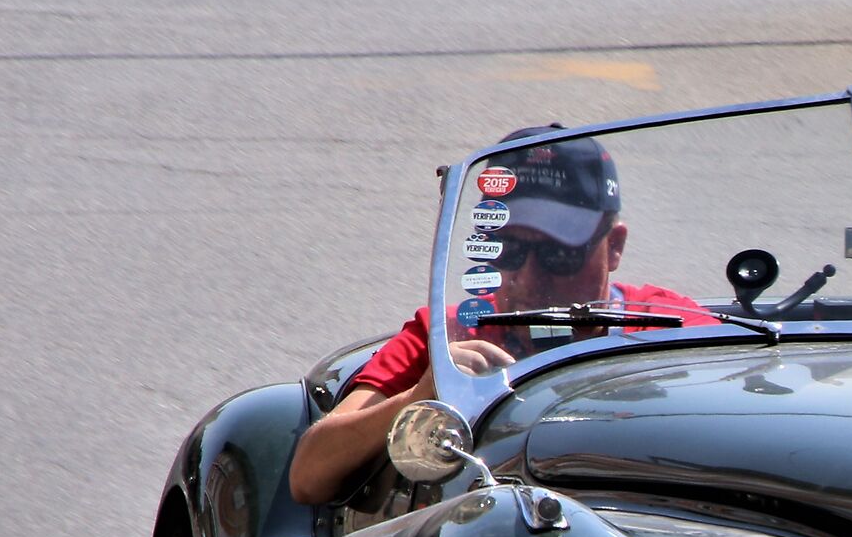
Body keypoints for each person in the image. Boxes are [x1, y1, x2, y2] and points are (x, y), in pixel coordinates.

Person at [289, 125, 706, 506]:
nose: (527, 277)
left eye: (557, 254)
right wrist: (422, 396)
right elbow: (308, 477)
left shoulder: (671, 328)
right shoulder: (448, 336)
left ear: (613, 247)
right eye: (509, 251)